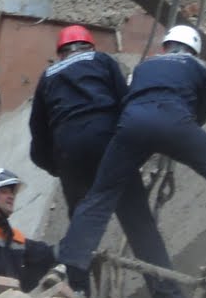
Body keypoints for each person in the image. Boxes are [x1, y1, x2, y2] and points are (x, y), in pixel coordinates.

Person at [56, 24, 206, 298]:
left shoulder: (143, 67)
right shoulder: (197, 67)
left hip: (131, 125)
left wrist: (143, 143)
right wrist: (178, 142)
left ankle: (68, 261)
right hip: (177, 120)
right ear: (192, 50)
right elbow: (201, 112)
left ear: (164, 47)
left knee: (100, 195)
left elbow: (127, 101)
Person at [28, 24, 130, 214]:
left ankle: (79, 241)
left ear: (61, 54)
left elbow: (38, 132)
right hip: (106, 138)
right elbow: (126, 103)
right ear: (91, 47)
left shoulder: (47, 77)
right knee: (134, 210)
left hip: (68, 149)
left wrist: (57, 166)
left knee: (81, 219)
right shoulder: (102, 60)